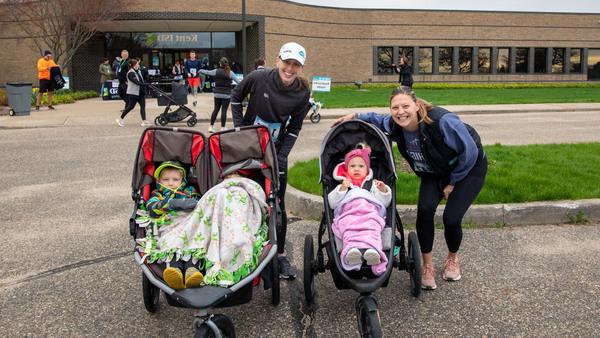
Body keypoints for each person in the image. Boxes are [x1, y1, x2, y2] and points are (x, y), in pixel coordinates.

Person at [333, 86, 487, 290]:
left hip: (467, 170)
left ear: (417, 105)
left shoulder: (442, 122)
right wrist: (355, 115)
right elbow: (377, 119)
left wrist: (453, 182)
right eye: (395, 107)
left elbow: (469, 152)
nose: (400, 111)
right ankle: (428, 266)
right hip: (434, 171)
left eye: (405, 106)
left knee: (451, 218)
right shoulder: (396, 124)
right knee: (424, 211)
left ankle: (452, 258)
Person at [231, 42, 311, 279]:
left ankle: (279, 254)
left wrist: (283, 154)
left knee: (277, 203)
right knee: (243, 196)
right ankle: (242, 248)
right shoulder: (258, 77)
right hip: (246, 145)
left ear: (301, 68)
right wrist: (240, 130)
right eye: (287, 62)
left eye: (296, 65)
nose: (290, 68)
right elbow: (236, 98)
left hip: (274, 149)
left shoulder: (302, 92)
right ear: (278, 60)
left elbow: (295, 127)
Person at [328, 145, 391, 276]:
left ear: (367, 169)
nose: (356, 168)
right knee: (349, 228)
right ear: (346, 169)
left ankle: (372, 250)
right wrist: (342, 190)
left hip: (370, 215)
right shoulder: (343, 185)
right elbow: (333, 204)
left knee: (372, 227)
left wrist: (383, 190)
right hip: (348, 215)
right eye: (352, 166)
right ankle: (352, 251)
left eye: (361, 166)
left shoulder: (372, 185)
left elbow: (383, 203)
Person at [143, 161, 203, 290]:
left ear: (182, 179)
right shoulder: (157, 194)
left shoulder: (190, 190)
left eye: (175, 179)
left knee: (194, 243)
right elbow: (151, 208)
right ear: (159, 180)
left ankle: (192, 271)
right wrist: (170, 204)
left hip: (188, 224)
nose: (170, 183)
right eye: (166, 179)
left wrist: (191, 203)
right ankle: (174, 271)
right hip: (169, 225)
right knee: (171, 244)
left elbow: (200, 203)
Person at [198, 57, 241, 133]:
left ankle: (211, 126)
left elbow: (207, 72)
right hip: (226, 95)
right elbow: (238, 82)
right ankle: (223, 127)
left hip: (217, 94)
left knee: (215, 110)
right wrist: (235, 90)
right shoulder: (230, 72)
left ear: (220, 63)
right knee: (224, 111)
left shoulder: (216, 71)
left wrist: (200, 70)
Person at [116, 58, 152, 127]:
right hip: (134, 93)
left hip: (141, 93)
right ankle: (120, 118)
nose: (138, 65)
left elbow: (142, 80)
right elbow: (137, 82)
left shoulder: (138, 71)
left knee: (143, 107)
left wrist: (147, 83)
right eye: (137, 64)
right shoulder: (131, 73)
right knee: (130, 107)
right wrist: (146, 84)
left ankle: (144, 121)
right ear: (134, 65)